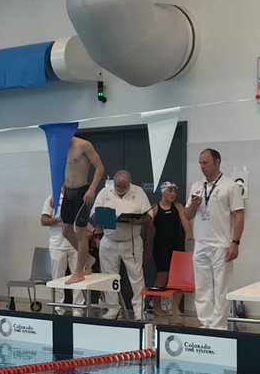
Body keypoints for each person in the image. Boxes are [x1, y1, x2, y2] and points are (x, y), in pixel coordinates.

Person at [184, 149, 245, 330]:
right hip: (201, 242)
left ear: (217, 162)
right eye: (200, 163)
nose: (202, 167)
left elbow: (239, 216)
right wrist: (193, 206)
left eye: (206, 163)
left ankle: (219, 326)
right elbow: (186, 215)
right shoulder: (196, 186)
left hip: (221, 244)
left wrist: (235, 242)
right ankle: (206, 323)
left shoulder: (230, 186)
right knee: (202, 286)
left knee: (221, 288)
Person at [92, 170, 152, 320]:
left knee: (136, 277)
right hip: (109, 240)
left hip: (131, 241)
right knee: (108, 277)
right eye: (118, 185)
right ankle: (113, 308)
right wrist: (105, 219)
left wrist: (140, 220)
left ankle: (139, 310)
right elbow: (93, 214)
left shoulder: (138, 192)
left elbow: (149, 215)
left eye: (124, 186)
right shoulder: (105, 192)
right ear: (114, 181)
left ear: (129, 183)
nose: (120, 189)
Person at [60, 136, 106, 284]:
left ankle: (80, 272)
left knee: (80, 231)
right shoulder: (59, 146)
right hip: (68, 192)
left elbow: (100, 168)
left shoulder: (84, 145)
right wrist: (59, 187)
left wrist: (92, 189)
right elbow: (60, 168)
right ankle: (88, 258)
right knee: (66, 230)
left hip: (82, 191)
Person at [147, 182, 194, 319]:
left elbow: (185, 222)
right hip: (160, 247)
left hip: (176, 245)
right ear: (163, 192)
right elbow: (148, 232)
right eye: (170, 191)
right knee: (162, 276)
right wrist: (146, 248)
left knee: (179, 278)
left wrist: (189, 234)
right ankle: (156, 306)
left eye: (174, 192)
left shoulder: (178, 207)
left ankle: (175, 307)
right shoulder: (155, 209)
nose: (173, 194)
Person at [41, 195, 82, 304]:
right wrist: (59, 219)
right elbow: (43, 220)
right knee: (57, 279)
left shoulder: (79, 196)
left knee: (78, 278)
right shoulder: (52, 198)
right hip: (57, 245)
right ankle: (58, 308)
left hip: (75, 244)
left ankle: (78, 308)